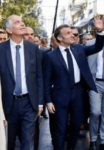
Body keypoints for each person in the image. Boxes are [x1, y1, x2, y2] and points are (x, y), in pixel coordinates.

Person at [44, 15, 104, 150]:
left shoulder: (79, 49)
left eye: (72, 33)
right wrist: (48, 101)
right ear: (59, 38)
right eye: (68, 33)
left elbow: (97, 47)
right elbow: (46, 80)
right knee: (60, 129)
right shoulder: (50, 56)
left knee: (76, 126)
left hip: (77, 94)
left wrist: (100, 31)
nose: (72, 35)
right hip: (59, 96)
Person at [0, 15, 43, 150]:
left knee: (28, 142)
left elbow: (38, 76)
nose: (22, 24)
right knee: (8, 141)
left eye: (22, 21)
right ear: (9, 29)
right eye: (17, 22)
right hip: (8, 103)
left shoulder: (33, 48)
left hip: (29, 102)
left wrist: (40, 102)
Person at [87, 35, 104, 150]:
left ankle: (103, 139)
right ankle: (93, 139)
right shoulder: (90, 43)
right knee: (95, 112)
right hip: (95, 83)